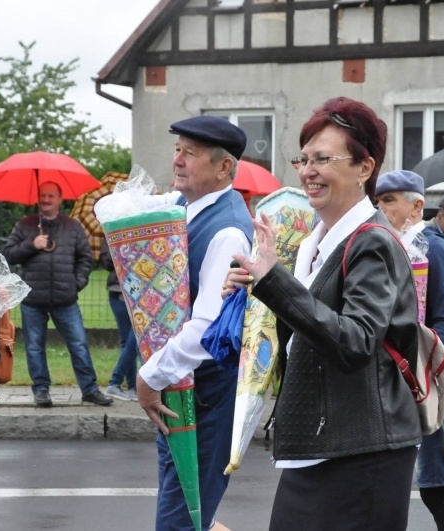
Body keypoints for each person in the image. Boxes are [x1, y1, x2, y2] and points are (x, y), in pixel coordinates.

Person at [225, 98, 421, 531]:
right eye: (304, 159)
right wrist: (254, 294)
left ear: (364, 168)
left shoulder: (373, 242)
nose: (307, 171)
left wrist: (274, 282)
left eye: (323, 159)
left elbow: (354, 342)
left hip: (362, 449)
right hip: (322, 442)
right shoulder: (317, 243)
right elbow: (303, 336)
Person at [128, 115, 253, 531]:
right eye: (177, 149)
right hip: (183, 388)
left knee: (182, 519)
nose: (178, 160)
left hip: (206, 393)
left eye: (190, 153)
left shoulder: (227, 232)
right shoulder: (183, 208)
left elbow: (208, 330)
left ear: (224, 168)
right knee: (188, 511)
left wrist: (151, 374)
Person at [374, 173, 444, 531]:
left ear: (416, 206)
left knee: (436, 486)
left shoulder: (435, 249)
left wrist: (418, 372)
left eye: (389, 200)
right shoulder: (395, 245)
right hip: (407, 379)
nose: (379, 208)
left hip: (436, 381)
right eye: (378, 200)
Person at [3, 182, 113, 407]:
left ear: (59, 199)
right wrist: (31, 244)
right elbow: (9, 255)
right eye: (42, 195)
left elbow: (85, 257)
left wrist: (77, 283)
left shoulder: (72, 226)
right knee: (34, 346)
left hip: (65, 298)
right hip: (33, 300)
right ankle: (41, 390)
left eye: (50, 196)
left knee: (79, 344)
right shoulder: (25, 225)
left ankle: (89, 390)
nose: (46, 199)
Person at [100, 241, 139, 401]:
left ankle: (131, 388)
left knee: (131, 341)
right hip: (119, 292)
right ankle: (115, 383)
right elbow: (106, 262)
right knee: (132, 340)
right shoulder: (113, 229)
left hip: (141, 291)